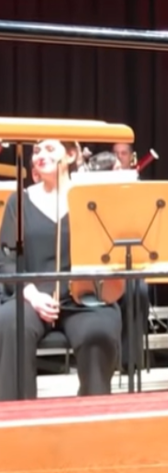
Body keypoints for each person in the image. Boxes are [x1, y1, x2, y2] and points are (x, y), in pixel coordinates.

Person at [0, 139, 122, 400]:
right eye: (36, 151)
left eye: (49, 149)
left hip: (82, 298)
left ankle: (93, 414)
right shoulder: (19, 201)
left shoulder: (90, 200)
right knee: (11, 323)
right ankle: (16, 416)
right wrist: (32, 294)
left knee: (99, 331)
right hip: (31, 296)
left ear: (70, 155)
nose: (39, 155)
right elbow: (6, 261)